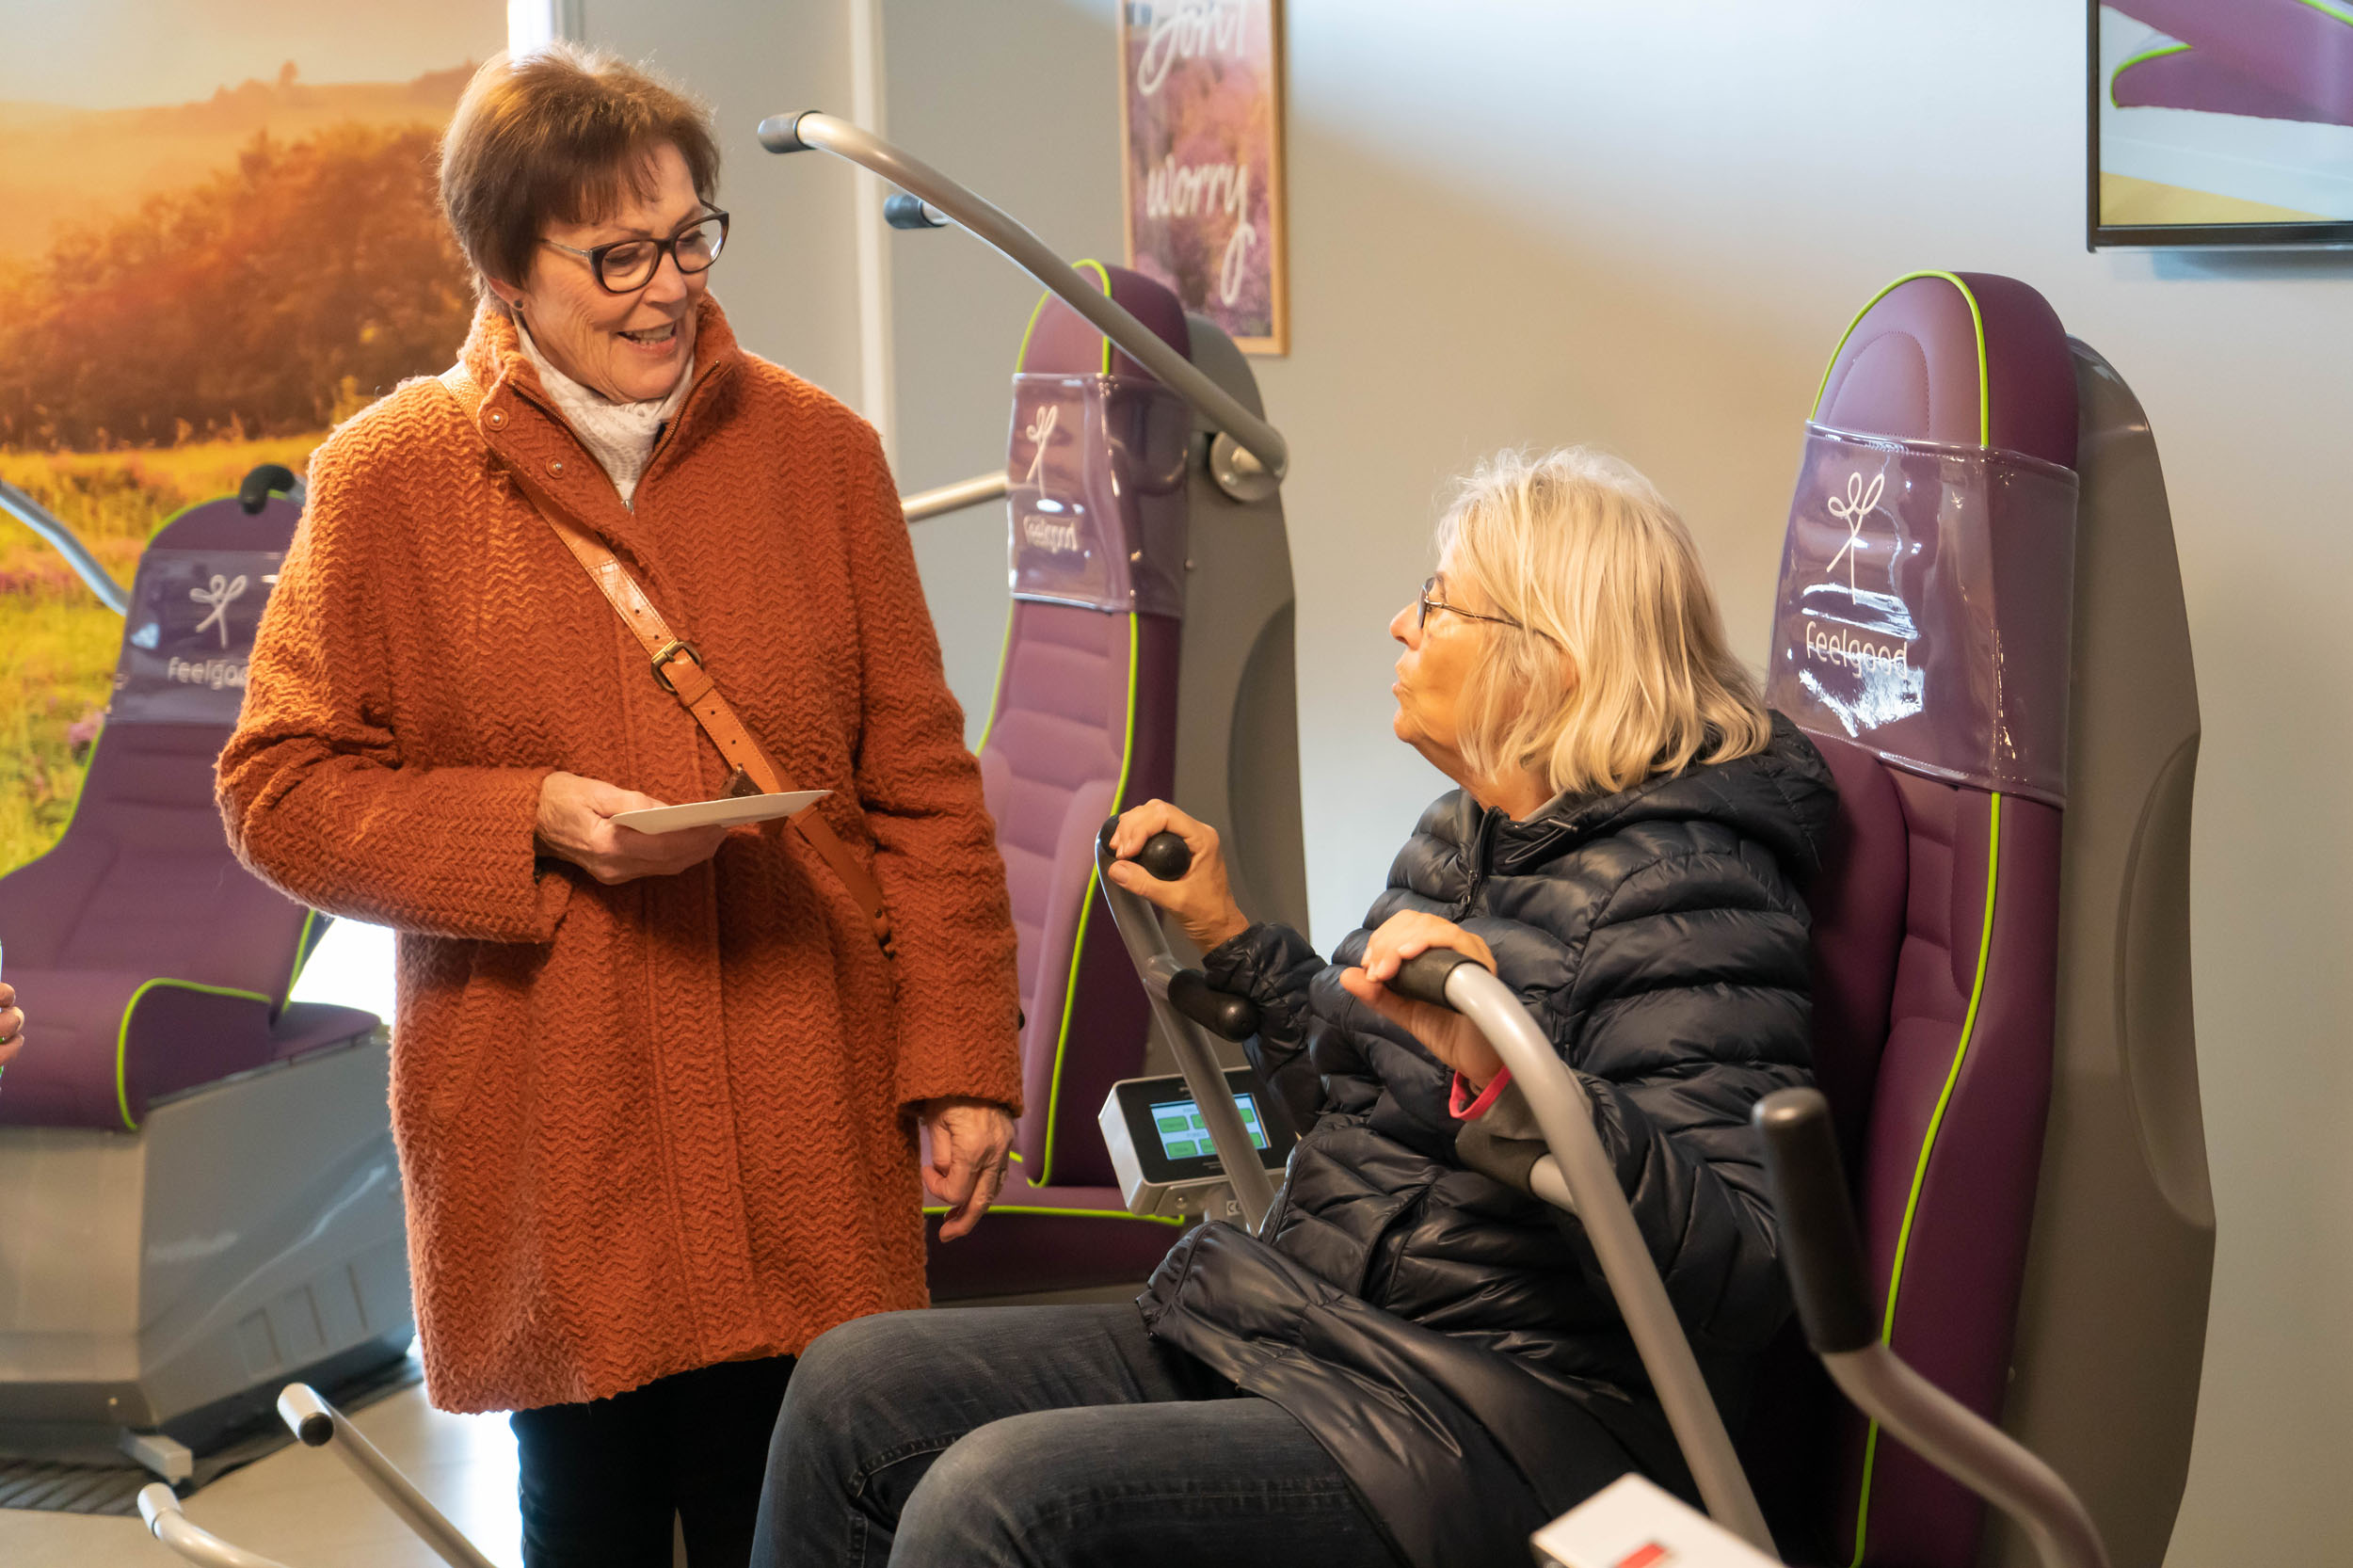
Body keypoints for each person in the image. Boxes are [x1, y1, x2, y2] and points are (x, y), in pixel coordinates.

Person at [216, 46, 1022, 1568]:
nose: (669, 290)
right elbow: (280, 789)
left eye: (689, 238)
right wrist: (526, 818)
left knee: (805, 1517)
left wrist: (965, 1062)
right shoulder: (388, 480)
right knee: (586, 1522)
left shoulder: (824, 458)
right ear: (504, 268)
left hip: (806, 1110)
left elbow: (924, 792)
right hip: (556, 1138)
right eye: (617, 257)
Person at [753, 447, 1841, 1568]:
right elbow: (1348, 1099)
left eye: (1437, 604)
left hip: (1500, 1416)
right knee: (853, 1386)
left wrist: (1506, 1082)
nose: (1401, 625)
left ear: (1544, 659)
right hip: (1320, 1331)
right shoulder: (1462, 831)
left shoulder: (1690, 890)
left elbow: (1744, 1269)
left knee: (996, 1500)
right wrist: (1227, 934)